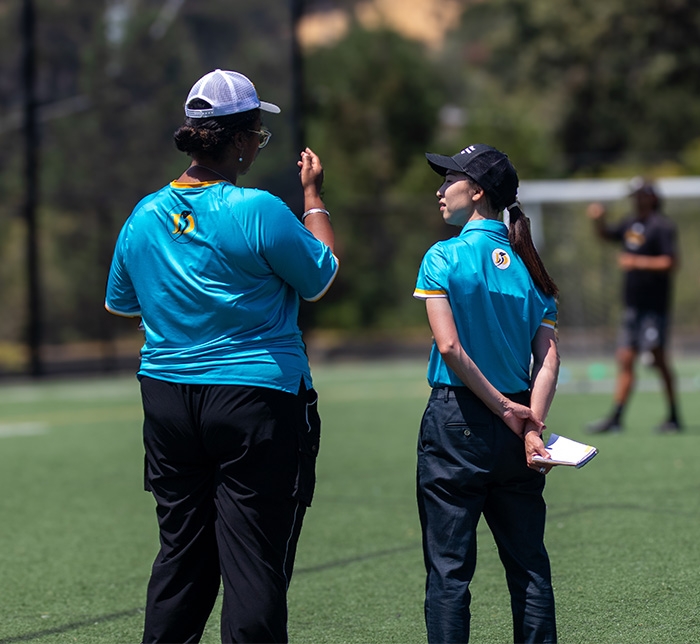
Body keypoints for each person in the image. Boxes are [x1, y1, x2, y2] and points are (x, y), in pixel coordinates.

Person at [104, 69, 338, 644]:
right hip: (255, 397)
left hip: (166, 399)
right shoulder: (257, 209)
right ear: (236, 140)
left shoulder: (144, 214)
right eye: (257, 134)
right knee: (254, 560)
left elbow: (121, 302)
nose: (258, 143)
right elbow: (320, 277)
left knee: (181, 557)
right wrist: (313, 199)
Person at [413, 144, 560, 644]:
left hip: (459, 421)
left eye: (448, 178)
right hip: (521, 428)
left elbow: (449, 347)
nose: (439, 188)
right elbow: (550, 358)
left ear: (476, 191)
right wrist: (531, 425)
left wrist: (501, 408)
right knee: (530, 568)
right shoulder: (531, 269)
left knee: (450, 573)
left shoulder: (442, 256)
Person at [585, 178, 681, 434]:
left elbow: (671, 262)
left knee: (658, 359)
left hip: (654, 307)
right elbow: (606, 236)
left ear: (651, 197)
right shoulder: (630, 224)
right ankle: (616, 417)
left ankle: (674, 415)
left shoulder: (662, 226)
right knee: (625, 358)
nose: (636, 200)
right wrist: (598, 220)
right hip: (632, 306)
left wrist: (637, 262)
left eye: (640, 195)